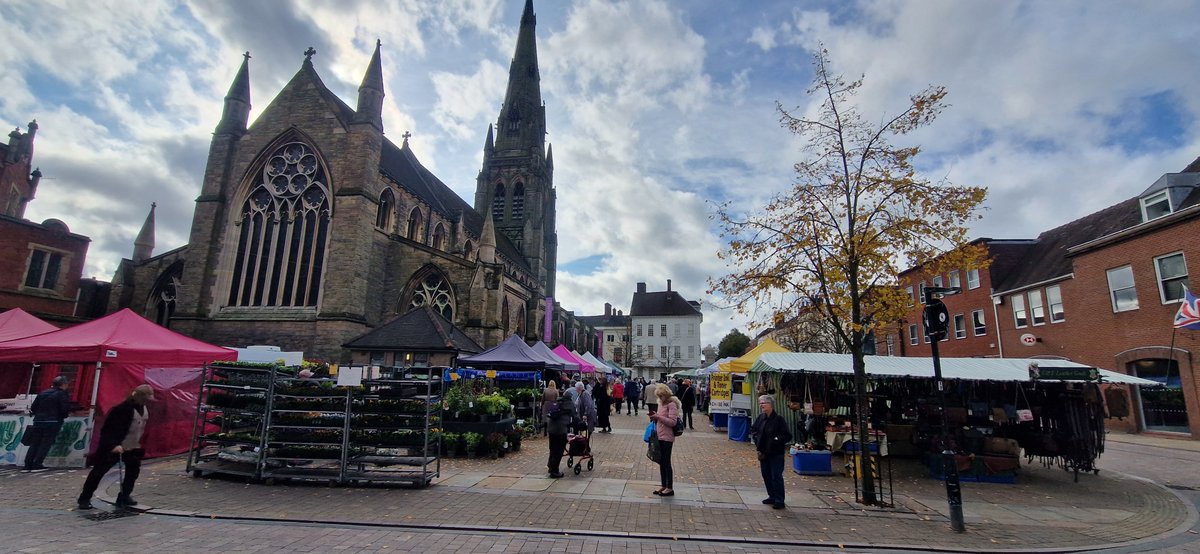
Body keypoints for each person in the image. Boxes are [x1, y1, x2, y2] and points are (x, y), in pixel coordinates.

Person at [78, 384, 155, 510]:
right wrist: (113, 445)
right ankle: (84, 498)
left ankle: (124, 496)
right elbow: (109, 429)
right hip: (114, 447)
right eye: (146, 398)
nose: (148, 401)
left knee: (133, 472)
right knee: (98, 472)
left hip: (133, 446)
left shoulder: (144, 408)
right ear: (139, 397)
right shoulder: (121, 409)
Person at [751, 395, 792, 509]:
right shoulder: (761, 417)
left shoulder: (779, 419)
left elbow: (787, 435)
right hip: (763, 452)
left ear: (770, 404)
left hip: (776, 453)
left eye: (763, 403)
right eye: (760, 403)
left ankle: (779, 500)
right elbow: (753, 429)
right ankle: (772, 496)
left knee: (776, 476)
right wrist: (756, 439)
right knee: (766, 475)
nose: (761, 405)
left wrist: (776, 440)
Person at [24, 375, 72, 472]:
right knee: (46, 443)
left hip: (38, 420)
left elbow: (33, 407)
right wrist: (64, 415)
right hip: (53, 421)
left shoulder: (43, 392)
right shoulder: (62, 394)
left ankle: (27, 464)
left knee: (35, 443)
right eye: (67, 384)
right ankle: (37, 464)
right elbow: (64, 409)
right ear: (63, 384)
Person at [648, 386, 680, 497]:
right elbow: (660, 418)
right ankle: (664, 485)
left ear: (666, 395)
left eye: (661, 396)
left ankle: (669, 487)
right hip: (659, 436)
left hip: (667, 437)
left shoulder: (672, 405)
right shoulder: (661, 404)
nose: (660, 398)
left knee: (666, 462)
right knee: (661, 462)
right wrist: (654, 417)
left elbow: (672, 422)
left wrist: (658, 417)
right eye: (659, 396)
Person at [546, 392, 577, 478]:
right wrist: (580, 423)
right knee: (559, 450)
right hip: (561, 429)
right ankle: (555, 471)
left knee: (552, 448)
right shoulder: (569, 404)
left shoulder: (556, 401)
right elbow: (575, 416)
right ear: (570, 397)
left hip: (551, 429)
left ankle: (550, 466)